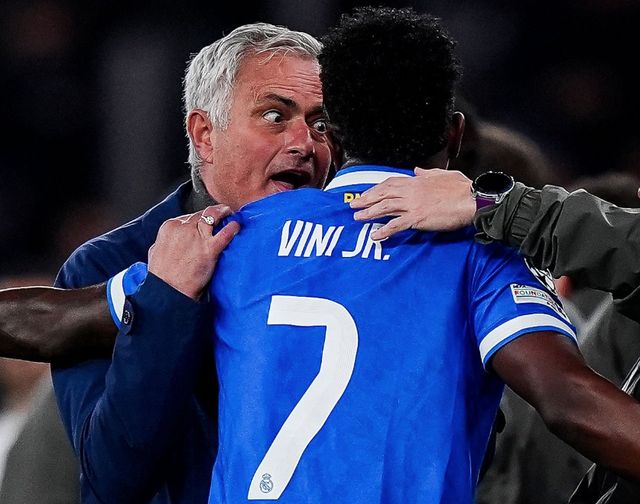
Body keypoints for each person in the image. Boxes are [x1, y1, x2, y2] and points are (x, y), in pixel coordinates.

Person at [103, 7, 640, 502]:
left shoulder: (237, 238)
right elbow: (569, 402)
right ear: (454, 135)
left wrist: (152, 290)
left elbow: (66, 318)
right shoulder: (480, 253)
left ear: (333, 135)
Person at [48, 23, 331, 504]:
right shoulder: (106, 265)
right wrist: (167, 300)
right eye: (274, 116)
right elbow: (114, 482)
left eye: (321, 124)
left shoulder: (356, 256)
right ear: (205, 135)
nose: (305, 143)